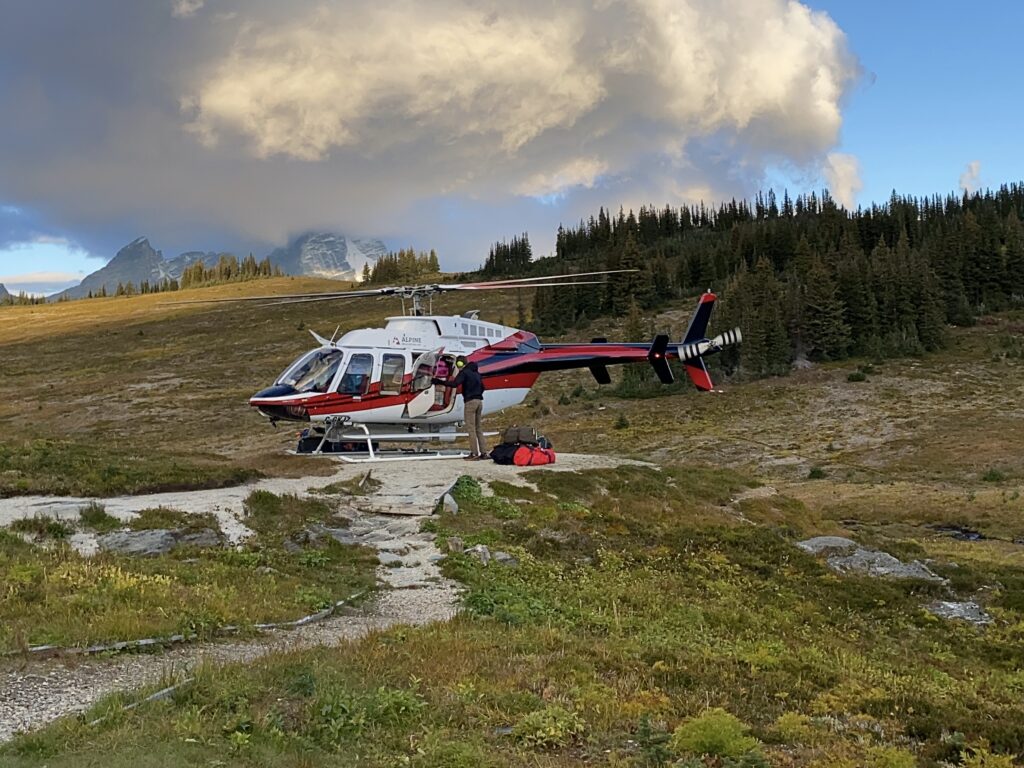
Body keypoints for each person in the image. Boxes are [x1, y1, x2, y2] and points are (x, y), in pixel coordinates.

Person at [433, 356, 487, 460]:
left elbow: (455, 384)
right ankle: (484, 453)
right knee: (478, 428)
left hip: (470, 402)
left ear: (460, 364)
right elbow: (483, 387)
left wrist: (439, 381)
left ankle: (474, 454)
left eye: (458, 365)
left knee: (471, 429)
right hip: (479, 402)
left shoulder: (464, 372)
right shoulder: (477, 373)